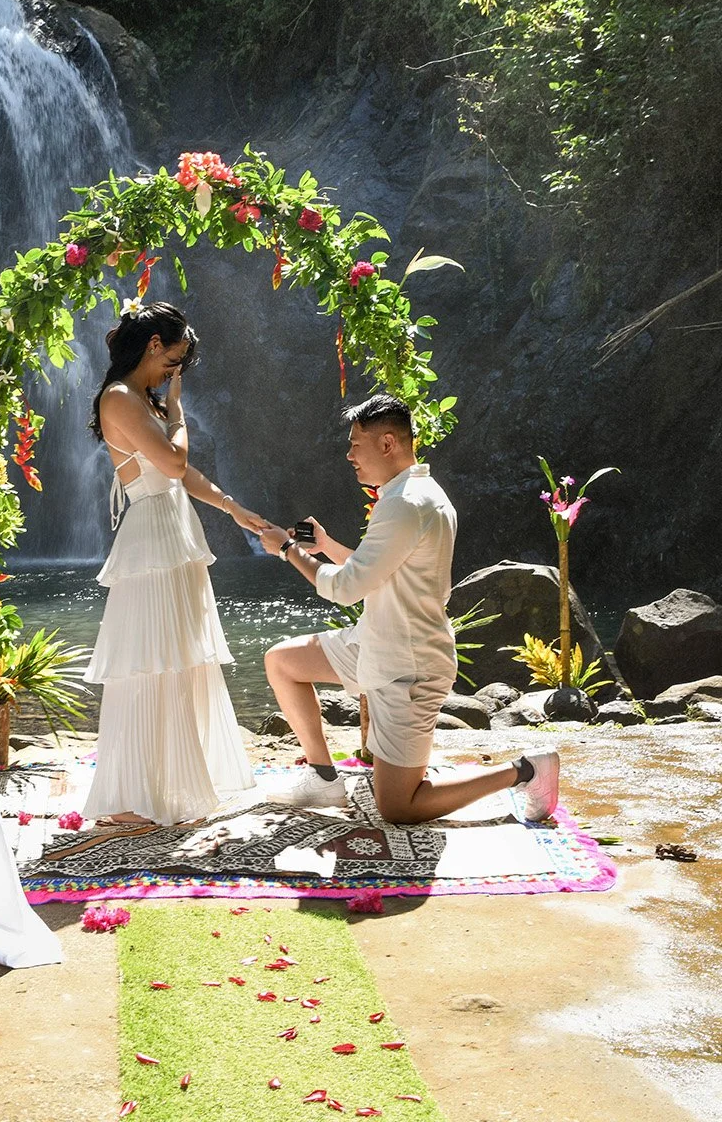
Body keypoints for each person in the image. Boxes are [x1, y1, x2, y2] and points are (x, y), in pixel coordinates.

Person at [256, 394, 558, 825]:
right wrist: (324, 546)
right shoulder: (411, 494)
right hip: (373, 642)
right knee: (282, 661)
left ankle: (525, 770)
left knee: (398, 807)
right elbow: (373, 571)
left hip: (407, 668)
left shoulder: (404, 504)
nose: (349, 456)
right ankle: (322, 777)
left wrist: (289, 550)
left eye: (355, 444)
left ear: (387, 443)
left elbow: (345, 588)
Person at [81, 302, 266, 826]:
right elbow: (173, 461)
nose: (174, 373)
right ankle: (130, 797)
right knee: (150, 660)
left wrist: (232, 508)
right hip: (152, 539)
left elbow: (182, 476)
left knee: (179, 658)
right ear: (153, 345)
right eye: (173, 361)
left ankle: (171, 785)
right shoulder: (119, 398)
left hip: (175, 530)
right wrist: (179, 411)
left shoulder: (142, 399)